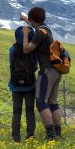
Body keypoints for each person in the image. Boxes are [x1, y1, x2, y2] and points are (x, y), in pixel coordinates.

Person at [21, 7, 62, 140]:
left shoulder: (39, 33)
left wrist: (26, 33)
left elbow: (27, 49)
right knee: (53, 102)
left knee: (41, 102)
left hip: (46, 71)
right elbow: (35, 24)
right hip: (57, 70)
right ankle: (58, 133)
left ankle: (51, 135)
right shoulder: (46, 28)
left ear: (33, 19)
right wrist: (25, 19)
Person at [8, 27, 37, 142]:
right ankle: (30, 135)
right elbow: (35, 64)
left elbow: (11, 64)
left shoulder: (12, 49)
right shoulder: (33, 50)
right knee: (30, 110)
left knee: (16, 111)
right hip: (30, 85)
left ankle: (16, 137)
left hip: (15, 85)